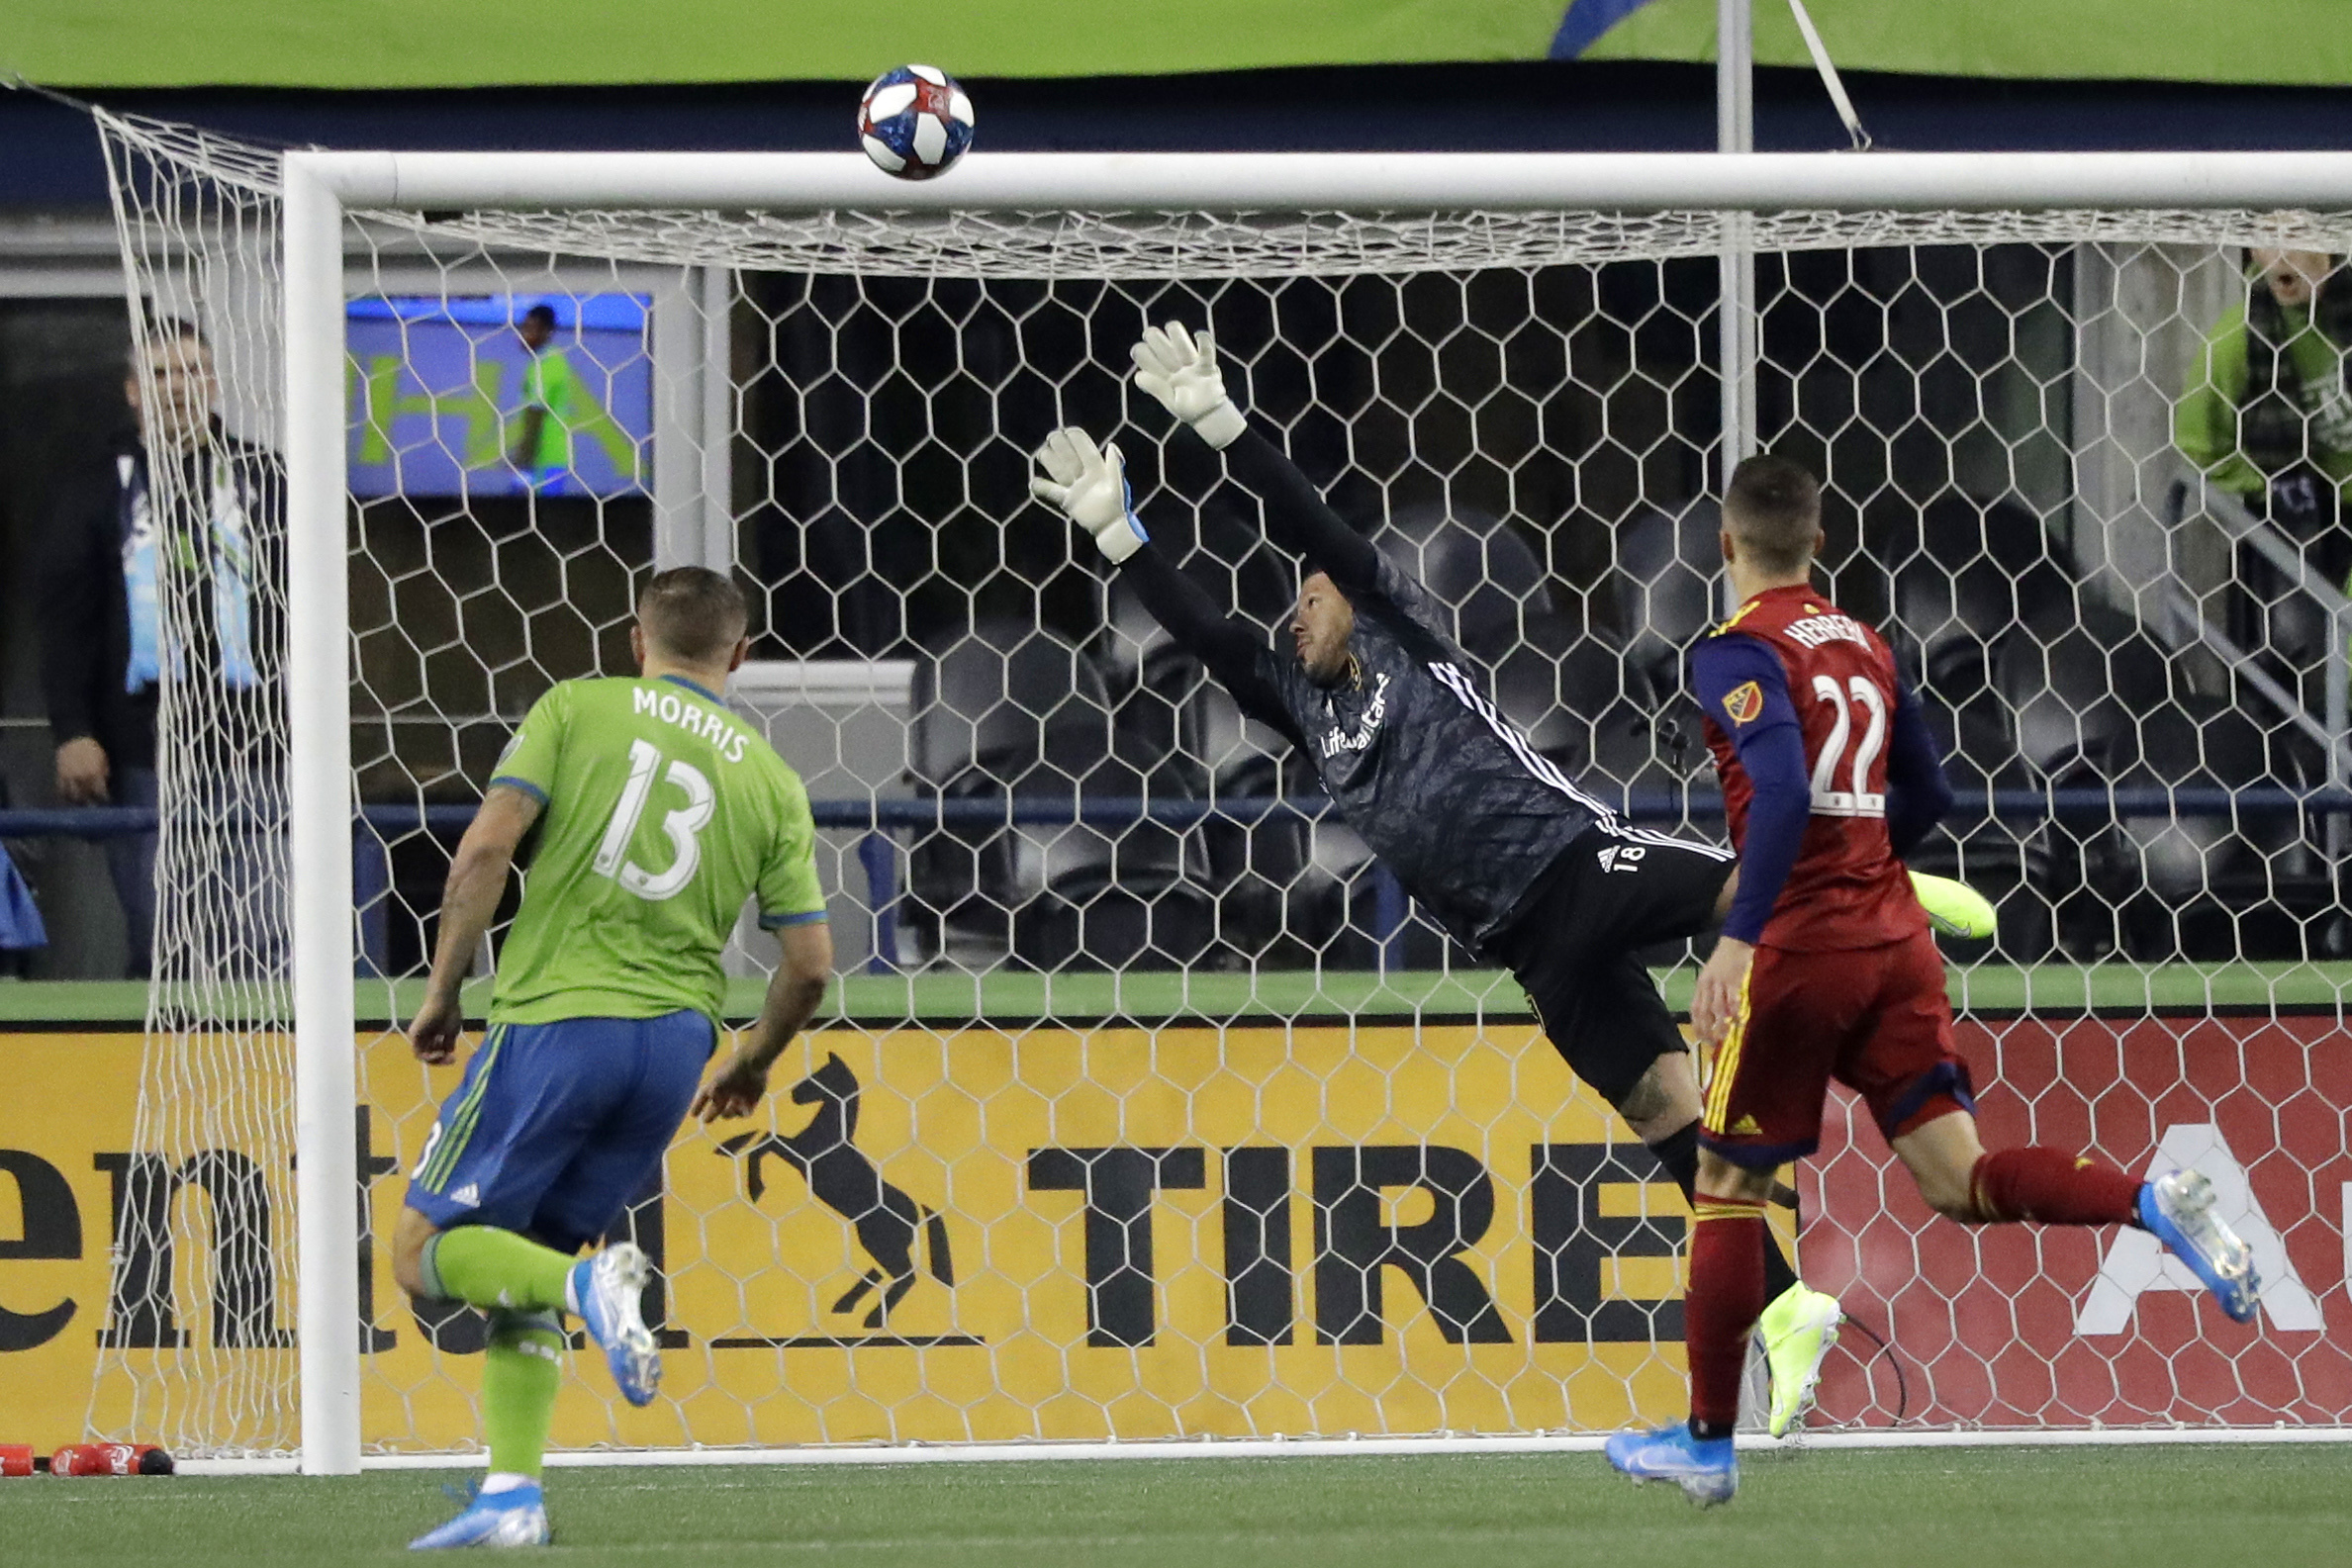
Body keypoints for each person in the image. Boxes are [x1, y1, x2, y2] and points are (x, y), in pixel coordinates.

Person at [1030, 322, 1947, 1432]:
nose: (1294, 618)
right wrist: (1118, 534)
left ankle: (1886, 893)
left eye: (1308, 600)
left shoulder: (1402, 627)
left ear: (1350, 596)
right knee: (1667, 1116)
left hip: (1573, 860)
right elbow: (1208, 633)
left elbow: (1308, 522)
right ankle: (1791, 1305)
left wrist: (1222, 427)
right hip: (1530, 948)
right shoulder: (1302, 707)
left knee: (1739, 893)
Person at [1605, 456, 2262, 1505]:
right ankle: (2149, 1199)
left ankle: (1707, 1442)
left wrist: (1739, 940)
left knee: (1724, 1186)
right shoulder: (1865, 644)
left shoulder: (1733, 651)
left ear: (1725, 546)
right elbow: (1932, 792)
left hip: (1800, 952)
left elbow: (1779, 791)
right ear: (1818, 542)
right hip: (1893, 942)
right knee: (1959, 1178)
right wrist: (1869, 864)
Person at [392, 567, 834, 1549]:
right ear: (741, 655)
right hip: (674, 1052)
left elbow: (484, 851)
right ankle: (512, 1494)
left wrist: (443, 988)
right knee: (529, 1260)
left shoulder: (575, 707)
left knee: (421, 1253)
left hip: (560, 1020)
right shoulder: (771, 779)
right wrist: (753, 1062)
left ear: (637, 641)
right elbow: (809, 965)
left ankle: (592, 1289)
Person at [39, 316, 284, 979]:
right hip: (142, 747)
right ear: (132, 390)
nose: (177, 386)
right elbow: (65, 622)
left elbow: (307, 604)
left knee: (263, 941)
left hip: (258, 747)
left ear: (214, 382)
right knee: (163, 939)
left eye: (191, 370)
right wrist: (73, 730)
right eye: (160, 373)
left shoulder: (268, 478)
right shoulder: (94, 487)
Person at [2175, 248, 2352, 703]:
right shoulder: (2236, 338)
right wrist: (2267, 485)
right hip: (2308, 517)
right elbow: (2197, 440)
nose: (2278, 254)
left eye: (2293, 233)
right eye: (2264, 236)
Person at [509, 303, 585, 495]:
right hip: (547, 457)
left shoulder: (547, 364)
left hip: (544, 459)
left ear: (547, 333)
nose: (524, 335)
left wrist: (524, 456)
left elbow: (537, 411)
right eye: (523, 328)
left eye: (531, 329)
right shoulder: (549, 359)